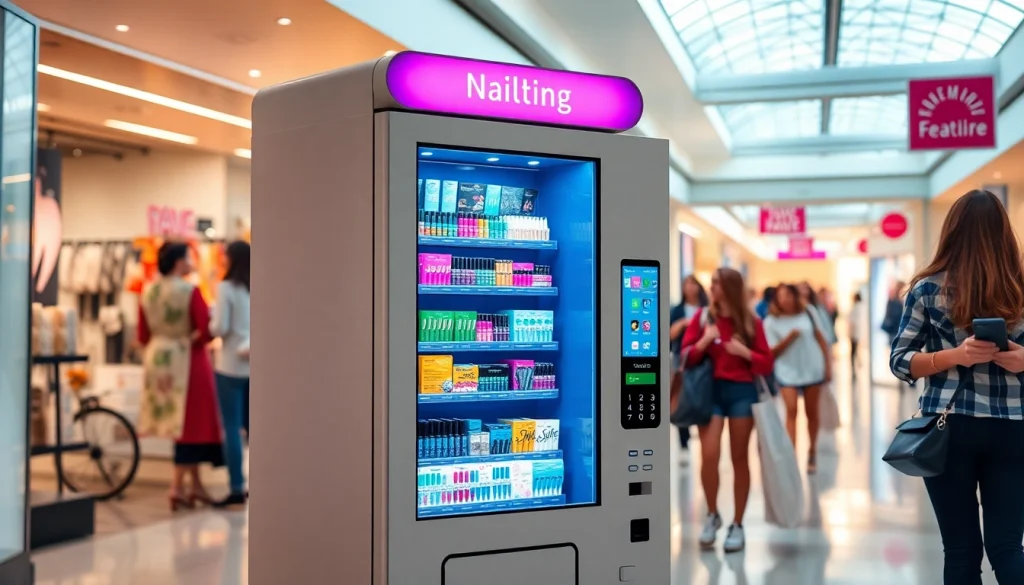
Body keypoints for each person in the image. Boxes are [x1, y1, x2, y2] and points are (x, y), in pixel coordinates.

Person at [889, 189, 1024, 585]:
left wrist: (953, 356)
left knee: (961, 550)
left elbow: (900, 360)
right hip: (1014, 427)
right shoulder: (1019, 289)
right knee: (1008, 548)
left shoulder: (927, 289)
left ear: (952, 231)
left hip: (949, 428)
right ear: (1005, 233)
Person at [681, 267, 774, 553]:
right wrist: (706, 339)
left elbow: (766, 363)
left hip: (741, 393)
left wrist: (744, 352)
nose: (711, 289)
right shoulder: (703, 317)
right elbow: (686, 357)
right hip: (710, 393)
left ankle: (737, 523)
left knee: (739, 458)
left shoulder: (750, 321)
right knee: (708, 455)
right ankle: (712, 514)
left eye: (716, 284)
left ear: (729, 288)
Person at [138, 242, 223, 511]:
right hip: (188, 358)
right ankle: (176, 486)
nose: (192, 261)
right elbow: (206, 330)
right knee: (191, 423)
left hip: (158, 358)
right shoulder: (190, 291)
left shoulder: (147, 291)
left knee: (179, 424)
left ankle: (194, 485)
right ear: (178, 261)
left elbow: (142, 335)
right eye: (188, 257)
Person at [763, 283, 831, 473]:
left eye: (788, 295)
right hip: (787, 372)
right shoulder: (770, 322)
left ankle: (812, 451)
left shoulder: (808, 312)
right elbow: (772, 352)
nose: (784, 299)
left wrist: (828, 366)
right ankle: (791, 455)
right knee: (791, 411)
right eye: (780, 296)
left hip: (812, 369)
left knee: (812, 413)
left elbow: (821, 338)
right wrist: (789, 338)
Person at [211, 241, 251, 508]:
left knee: (232, 428)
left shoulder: (226, 288)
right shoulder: (258, 287)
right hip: (255, 366)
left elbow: (219, 327)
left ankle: (237, 486)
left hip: (230, 366)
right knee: (256, 428)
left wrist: (209, 321)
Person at [669, 274, 708, 462]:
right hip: (681, 358)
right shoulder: (677, 310)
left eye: (693, 284)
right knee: (682, 397)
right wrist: (685, 324)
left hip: (704, 360)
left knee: (701, 395)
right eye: (687, 284)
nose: (690, 288)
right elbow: (669, 335)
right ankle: (683, 440)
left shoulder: (707, 310)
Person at [849, 293, 865, 374]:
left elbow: (852, 321)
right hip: (859, 332)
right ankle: (858, 364)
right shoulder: (862, 307)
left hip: (855, 333)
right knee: (857, 350)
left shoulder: (856, 308)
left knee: (853, 351)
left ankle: (854, 367)